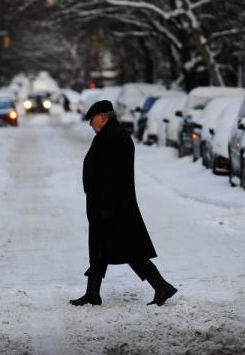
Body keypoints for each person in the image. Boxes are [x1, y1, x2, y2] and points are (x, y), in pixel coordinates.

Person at [70, 100, 177, 307]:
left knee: (129, 250)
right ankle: (92, 292)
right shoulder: (110, 135)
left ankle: (162, 286)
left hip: (112, 206)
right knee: (101, 248)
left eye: (91, 120)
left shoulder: (114, 137)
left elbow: (113, 175)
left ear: (102, 117)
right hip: (108, 205)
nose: (91, 125)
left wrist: (106, 207)